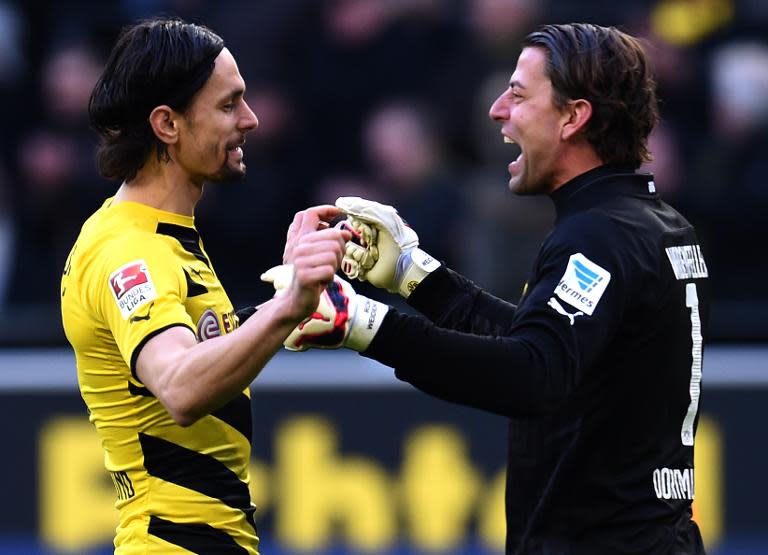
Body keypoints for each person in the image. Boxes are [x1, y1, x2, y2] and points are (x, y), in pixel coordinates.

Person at [274, 23, 709, 555]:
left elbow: (529, 375)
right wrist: (415, 276)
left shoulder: (599, 234)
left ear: (574, 117)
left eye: (519, 94)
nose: (497, 109)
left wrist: (363, 325)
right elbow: (549, 351)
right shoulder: (653, 225)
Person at [60, 18, 348, 554]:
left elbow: (198, 351)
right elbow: (180, 386)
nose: (252, 119)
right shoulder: (127, 251)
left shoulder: (164, 238)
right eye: (228, 105)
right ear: (167, 124)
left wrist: (289, 290)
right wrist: (287, 306)